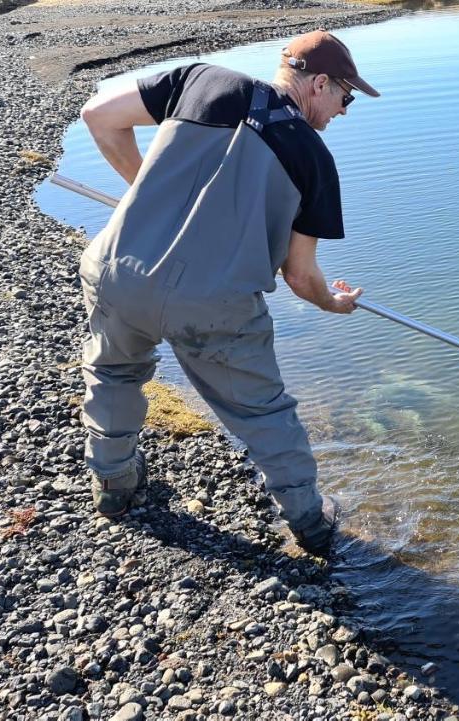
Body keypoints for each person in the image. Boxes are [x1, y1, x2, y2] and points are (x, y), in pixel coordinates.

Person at [75, 30, 377, 555]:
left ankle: (114, 487)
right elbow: (301, 277)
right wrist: (334, 302)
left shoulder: (200, 78)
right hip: (214, 306)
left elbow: (99, 116)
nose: (344, 111)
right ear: (320, 83)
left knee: (112, 373)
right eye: (345, 97)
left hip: (118, 270)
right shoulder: (314, 158)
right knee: (262, 412)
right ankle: (310, 523)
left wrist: (146, 196)